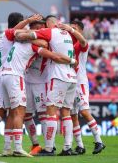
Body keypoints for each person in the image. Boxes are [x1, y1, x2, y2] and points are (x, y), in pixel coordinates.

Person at [0, 13, 43, 157]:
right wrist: (31, 24)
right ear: (19, 23)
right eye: (23, 22)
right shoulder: (10, 34)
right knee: (0, 112)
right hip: (2, 75)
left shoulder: (2, 37)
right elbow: (23, 35)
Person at [16, 15, 78, 156]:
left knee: (48, 112)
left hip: (50, 79)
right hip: (68, 76)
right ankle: (63, 147)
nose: (41, 28)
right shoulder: (67, 34)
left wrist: (24, 37)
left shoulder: (50, 33)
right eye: (37, 27)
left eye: (42, 26)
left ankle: (50, 148)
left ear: (48, 24)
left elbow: (25, 37)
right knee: (64, 112)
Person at [58, 21, 106, 155]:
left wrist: (71, 30)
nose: (70, 30)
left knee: (84, 111)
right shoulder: (67, 43)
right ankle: (80, 145)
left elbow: (84, 42)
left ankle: (99, 141)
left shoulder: (81, 43)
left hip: (80, 83)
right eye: (70, 28)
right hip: (69, 82)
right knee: (73, 115)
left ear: (80, 30)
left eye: (74, 28)